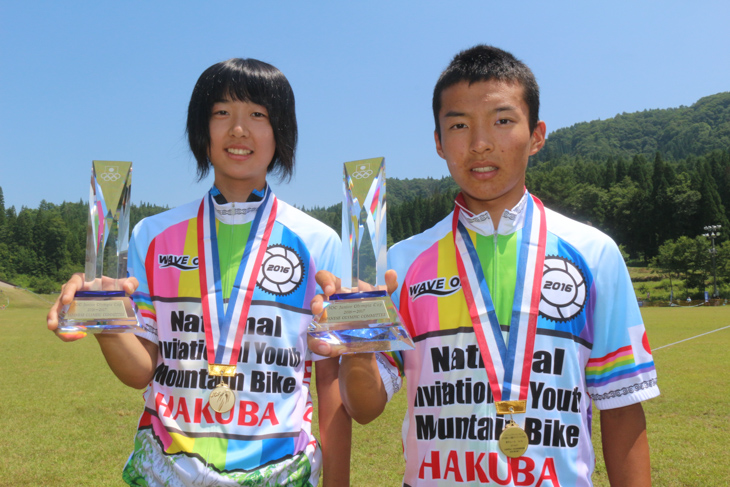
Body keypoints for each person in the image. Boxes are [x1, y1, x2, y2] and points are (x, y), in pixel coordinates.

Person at [312, 45, 659, 486]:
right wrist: (357, 342)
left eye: (502, 120)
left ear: (537, 134)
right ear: (438, 142)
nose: (479, 143)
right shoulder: (400, 262)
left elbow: (621, 408)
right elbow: (365, 409)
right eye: (458, 125)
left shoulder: (594, 253)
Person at [47, 58, 350, 486]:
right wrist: (105, 320)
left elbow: (329, 382)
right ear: (200, 130)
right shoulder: (153, 235)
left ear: (280, 131)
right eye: (221, 112)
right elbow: (141, 370)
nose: (239, 129)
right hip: (168, 470)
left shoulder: (319, 242)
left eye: (258, 115)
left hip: (281, 472)